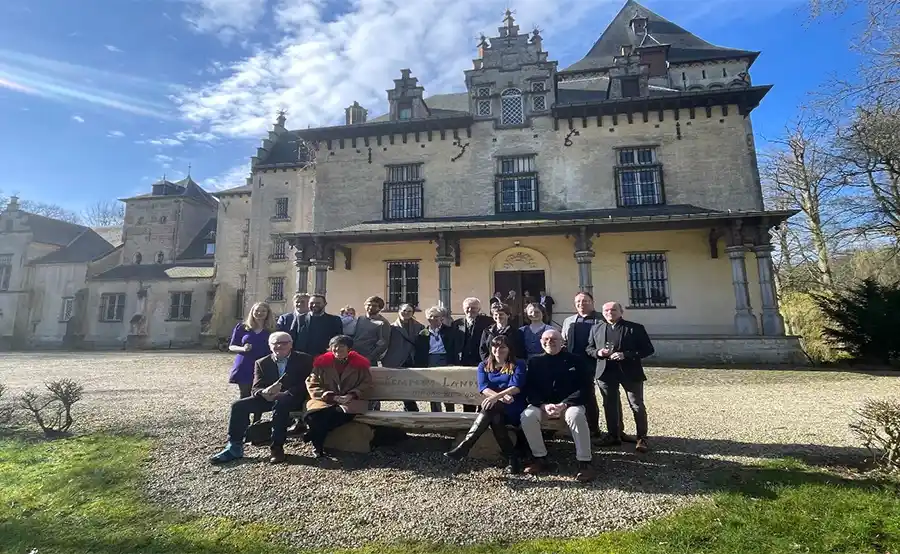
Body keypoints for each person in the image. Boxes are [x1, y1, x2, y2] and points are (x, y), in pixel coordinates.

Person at [210, 332, 314, 464]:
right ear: (270, 346)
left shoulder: (304, 359)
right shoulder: (262, 362)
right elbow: (256, 388)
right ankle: (234, 446)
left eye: (284, 343)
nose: (280, 346)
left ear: (291, 344)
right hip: (270, 398)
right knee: (238, 406)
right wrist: (264, 392)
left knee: (280, 404)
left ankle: (277, 447)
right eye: (275, 343)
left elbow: (307, 383)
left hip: (293, 398)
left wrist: (287, 393)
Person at [520, 329, 595, 482]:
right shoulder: (534, 362)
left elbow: (586, 387)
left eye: (554, 339)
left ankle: (585, 462)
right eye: (546, 339)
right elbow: (530, 388)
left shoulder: (577, 360)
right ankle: (540, 458)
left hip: (569, 404)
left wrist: (564, 404)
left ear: (562, 342)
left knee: (576, 416)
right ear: (541, 343)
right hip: (543, 405)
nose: (550, 342)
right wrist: (542, 405)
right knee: (527, 416)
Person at [444, 335, 525, 474]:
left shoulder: (519, 364)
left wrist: (497, 396)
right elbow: (483, 387)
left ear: (509, 349)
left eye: (502, 347)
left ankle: (464, 447)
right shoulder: (484, 365)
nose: (498, 350)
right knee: (494, 416)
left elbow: (516, 387)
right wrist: (498, 398)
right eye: (495, 346)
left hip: (513, 406)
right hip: (496, 406)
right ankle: (513, 460)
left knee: (490, 410)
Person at [585, 301, 655, 453]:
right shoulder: (596, 328)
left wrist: (626, 355)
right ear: (602, 313)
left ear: (621, 311)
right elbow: (589, 348)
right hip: (605, 372)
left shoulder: (635, 328)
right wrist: (598, 352)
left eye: (613, 309)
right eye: (606, 310)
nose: (610, 312)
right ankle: (613, 435)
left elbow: (648, 349)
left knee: (636, 405)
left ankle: (642, 438)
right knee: (610, 405)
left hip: (630, 372)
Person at [304, 335, 372, 458]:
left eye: (341, 348)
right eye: (334, 348)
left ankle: (313, 436)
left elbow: (366, 384)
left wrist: (351, 395)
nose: (337, 351)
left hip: (352, 401)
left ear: (349, 349)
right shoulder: (321, 364)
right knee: (315, 414)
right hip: (325, 399)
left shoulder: (359, 364)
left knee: (333, 414)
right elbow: (312, 383)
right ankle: (317, 447)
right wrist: (331, 396)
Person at [560, 292, 604, 437]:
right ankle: (573, 427)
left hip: (595, 362)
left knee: (590, 396)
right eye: (578, 301)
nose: (581, 304)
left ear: (592, 302)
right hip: (572, 364)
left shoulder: (601, 320)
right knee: (572, 395)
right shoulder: (569, 321)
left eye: (585, 301)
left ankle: (594, 428)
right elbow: (564, 341)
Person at [415, 306, 462, 412]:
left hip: (445, 359)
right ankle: (435, 413)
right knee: (433, 388)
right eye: (431, 316)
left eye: (437, 316)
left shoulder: (450, 331)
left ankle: (450, 412)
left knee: (447, 387)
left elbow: (455, 349)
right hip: (430, 360)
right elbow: (419, 352)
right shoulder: (423, 333)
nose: (433, 319)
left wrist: (453, 363)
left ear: (442, 318)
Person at [382, 303, 425, 412]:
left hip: (413, 359)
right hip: (397, 359)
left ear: (412, 313)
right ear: (399, 311)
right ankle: (411, 407)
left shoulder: (419, 327)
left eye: (409, 311)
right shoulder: (391, 327)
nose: (406, 313)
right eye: (404, 310)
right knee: (401, 385)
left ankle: (410, 407)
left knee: (411, 385)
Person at [453, 297, 493, 413]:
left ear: (479, 309)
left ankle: (482, 413)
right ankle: (468, 413)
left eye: (474, 308)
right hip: (464, 361)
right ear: (463, 309)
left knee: (483, 387)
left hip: (480, 360)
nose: (470, 310)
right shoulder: (457, 323)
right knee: (467, 389)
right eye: (468, 308)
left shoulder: (488, 322)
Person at [228, 302, 275, 400]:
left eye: (263, 311)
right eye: (257, 310)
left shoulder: (272, 330)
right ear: (252, 312)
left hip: (264, 365)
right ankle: (243, 415)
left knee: (260, 395)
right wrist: (243, 348)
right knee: (245, 395)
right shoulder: (242, 327)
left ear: (268, 313)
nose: (259, 313)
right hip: (245, 365)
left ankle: (257, 416)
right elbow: (232, 346)